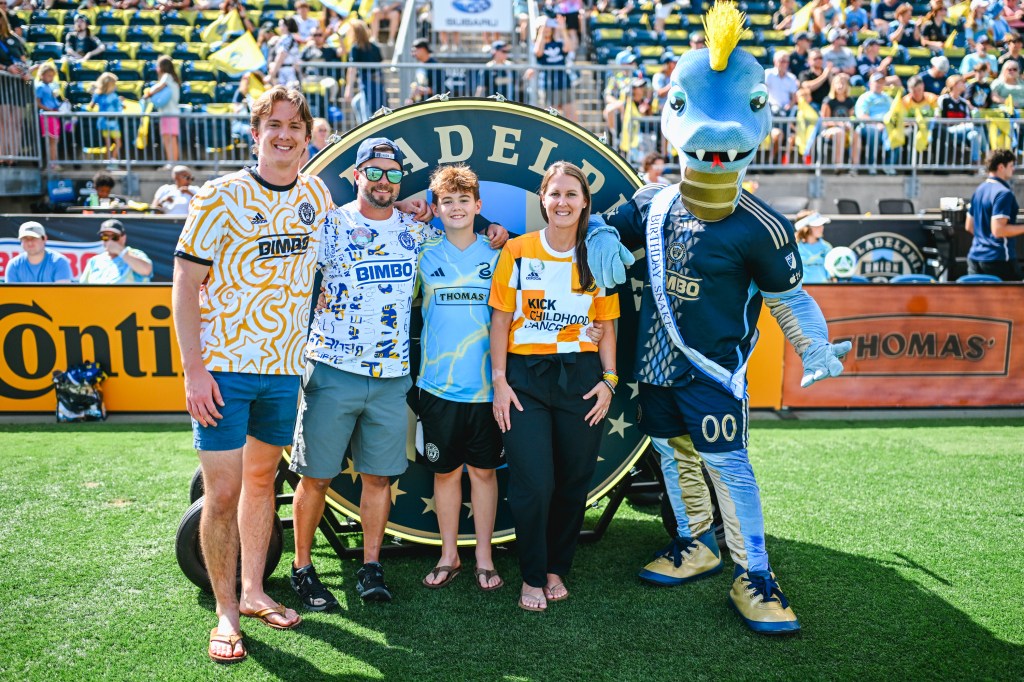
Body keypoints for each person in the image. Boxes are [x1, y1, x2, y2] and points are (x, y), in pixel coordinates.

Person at [597, 2, 850, 635]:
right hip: (654, 365)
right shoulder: (652, 202)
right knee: (672, 455)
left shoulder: (762, 225)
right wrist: (598, 238)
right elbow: (604, 228)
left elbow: (789, 298)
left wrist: (814, 347)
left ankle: (754, 572)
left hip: (712, 369)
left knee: (729, 466)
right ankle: (696, 543)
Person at [288, 138, 509, 610]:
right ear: (357, 175)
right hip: (333, 368)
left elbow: (461, 225)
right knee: (316, 477)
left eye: (392, 173)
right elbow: (286, 277)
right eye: (374, 171)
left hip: (391, 376)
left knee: (378, 479)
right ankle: (302, 569)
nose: (384, 180)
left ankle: (372, 567)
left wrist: (493, 228)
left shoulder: (416, 232)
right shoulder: (329, 224)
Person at [172, 86, 335, 664]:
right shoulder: (219, 196)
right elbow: (184, 284)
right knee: (222, 493)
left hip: (284, 370)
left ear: (307, 136)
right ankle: (225, 613)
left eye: (295, 126)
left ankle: (253, 591)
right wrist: (194, 371)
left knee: (262, 483)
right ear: (256, 134)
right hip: (224, 369)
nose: (285, 135)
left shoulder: (316, 194)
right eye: (275, 126)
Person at [489, 161, 619, 612]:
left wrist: (609, 380)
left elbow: (607, 324)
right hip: (524, 378)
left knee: (573, 479)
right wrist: (500, 381)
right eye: (555, 193)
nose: (562, 202)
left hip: (581, 378)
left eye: (571, 194)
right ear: (543, 200)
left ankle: (555, 569)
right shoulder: (518, 251)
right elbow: (500, 320)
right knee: (535, 482)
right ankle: (530, 575)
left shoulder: (597, 256)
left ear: (584, 203)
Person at [417, 164, 509, 592]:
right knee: (446, 474)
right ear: (436, 209)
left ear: (478, 206)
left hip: (488, 390)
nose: (456, 208)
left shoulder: (499, 252)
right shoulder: (423, 251)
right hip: (437, 386)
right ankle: (449, 555)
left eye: (463, 200)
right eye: (447, 201)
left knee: (484, 474)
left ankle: (485, 557)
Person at [965, 148, 1024, 279]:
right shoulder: (1003, 193)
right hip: (998, 260)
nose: (1013, 169)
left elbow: (969, 226)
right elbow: (998, 230)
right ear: (1001, 167)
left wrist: (985, 240)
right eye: (1011, 165)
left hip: (974, 259)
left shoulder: (979, 190)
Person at [79, 219, 153, 283]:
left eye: (114, 237)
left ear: (123, 238)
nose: (110, 241)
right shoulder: (95, 261)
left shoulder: (135, 254)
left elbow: (146, 270)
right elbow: (82, 288)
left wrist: (121, 251)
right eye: (105, 236)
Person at [535, 15, 577, 121]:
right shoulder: (538, 45)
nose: (547, 29)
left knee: (571, 115)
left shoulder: (558, 44)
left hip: (564, 83)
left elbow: (569, 48)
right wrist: (541, 31)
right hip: (548, 85)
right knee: (549, 117)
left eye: (549, 27)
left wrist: (563, 29)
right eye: (544, 27)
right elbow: (538, 52)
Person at [4, 221, 73, 283]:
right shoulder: (14, 265)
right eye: (25, 238)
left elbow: (62, 292)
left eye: (34, 238)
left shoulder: (59, 262)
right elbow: (11, 293)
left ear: (44, 239)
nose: (30, 242)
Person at [144, 55, 181, 169]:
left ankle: (173, 163)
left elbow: (159, 86)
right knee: (166, 138)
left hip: (171, 114)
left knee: (171, 138)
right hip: (166, 113)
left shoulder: (167, 76)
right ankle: (170, 162)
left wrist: (148, 94)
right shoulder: (172, 78)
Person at [345, 19, 385, 124]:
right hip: (376, 82)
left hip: (367, 84)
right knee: (356, 103)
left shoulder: (356, 48)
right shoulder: (374, 47)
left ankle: (365, 129)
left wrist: (348, 88)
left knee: (366, 113)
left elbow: (352, 69)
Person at [820, 73, 860, 167]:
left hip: (845, 129)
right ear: (833, 85)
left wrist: (848, 125)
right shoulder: (828, 101)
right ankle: (838, 166)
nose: (840, 86)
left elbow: (851, 118)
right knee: (839, 132)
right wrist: (838, 124)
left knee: (856, 134)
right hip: (829, 130)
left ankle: (855, 166)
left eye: (843, 83)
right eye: (837, 83)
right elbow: (824, 121)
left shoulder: (850, 101)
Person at [35, 62, 63, 172]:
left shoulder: (52, 86)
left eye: (52, 76)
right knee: (51, 141)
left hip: (54, 115)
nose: (51, 78)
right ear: (42, 75)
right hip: (47, 116)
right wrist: (49, 110)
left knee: (56, 140)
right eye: (48, 75)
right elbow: (37, 103)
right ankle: (51, 164)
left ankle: (54, 163)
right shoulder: (39, 86)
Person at [90, 72, 122, 165]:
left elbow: (91, 106)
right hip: (112, 123)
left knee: (109, 145)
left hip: (104, 123)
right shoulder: (113, 96)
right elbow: (119, 109)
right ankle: (112, 161)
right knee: (117, 144)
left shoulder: (98, 95)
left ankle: (109, 162)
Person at [795, 211, 833, 283]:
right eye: (817, 226)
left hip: (823, 288)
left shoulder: (827, 247)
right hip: (802, 289)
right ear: (806, 228)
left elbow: (831, 274)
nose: (822, 228)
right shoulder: (795, 247)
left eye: (822, 225)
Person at [407, 37, 443, 103]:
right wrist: (412, 99)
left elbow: (439, 88)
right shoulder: (420, 65)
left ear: (423, 49)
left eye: (415, 51)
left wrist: (421, 90)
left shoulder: (435, 66)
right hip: (422, 103)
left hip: (433, 104)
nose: (413, 54)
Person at [269, 17, 301, 88]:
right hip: (290, 70)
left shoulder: (286, 38)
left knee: (285, 92)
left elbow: (281, 55)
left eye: (281, 25)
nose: (279, 28)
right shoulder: (291, 37)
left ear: (287, 26)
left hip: (286, 71)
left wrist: (272, 75)